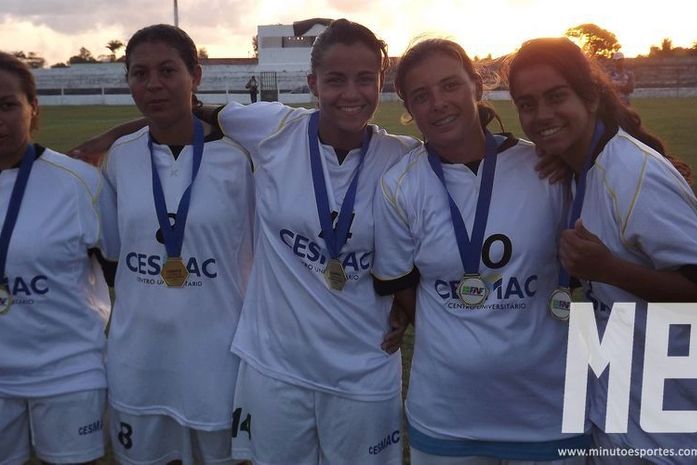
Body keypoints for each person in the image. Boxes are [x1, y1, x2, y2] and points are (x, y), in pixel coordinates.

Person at [371, 38, 590, 465]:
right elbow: (403, 286)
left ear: (476, 85)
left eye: (450, 85)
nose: (438, 103)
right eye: (421, 96)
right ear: (409, 108)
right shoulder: (400, 185)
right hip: (448, 418)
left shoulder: (546, 168)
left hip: (550, 412)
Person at [507, 37, 697, 465]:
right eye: (527, 104)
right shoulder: (581, 166)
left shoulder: (633, 174)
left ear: (591, 97)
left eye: (557, 97)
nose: (542, 115)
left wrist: (608, 269)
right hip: (613, 404)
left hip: (666, 428)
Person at [98, 24, 254, 465]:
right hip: (138, 364)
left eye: (167, 71)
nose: (153, 85)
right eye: (139, 73)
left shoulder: (240, 159)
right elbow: (113, 256)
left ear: (195, 76)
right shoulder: (119, 157)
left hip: (218, 364)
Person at [0, 51, 110, 464]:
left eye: (8, 105)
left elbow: (119, 266)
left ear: (33, 108)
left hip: (68, 373)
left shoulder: (79, 182)